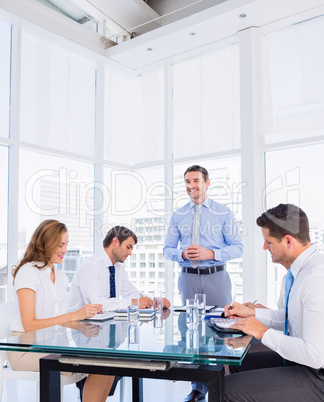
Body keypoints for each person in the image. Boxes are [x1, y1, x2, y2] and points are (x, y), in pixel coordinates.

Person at [224, 203, 324, 401]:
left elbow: (315, 355)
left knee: (225, 390)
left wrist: (262, 332)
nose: (264, 247)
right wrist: (252, 314)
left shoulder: (315, 278)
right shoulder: (301, 271)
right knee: (236, 363)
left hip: (317, 375)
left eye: (268, 242)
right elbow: (292, 318)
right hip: (301, 362)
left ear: (288, 241)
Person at [8, 219, 114, 402]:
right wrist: (74, 315)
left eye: (66, 244)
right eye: (60, 244)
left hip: (52, 345)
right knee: (100, 363)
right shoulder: (28, 272)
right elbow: (29, 324)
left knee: (110, 362)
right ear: (45, 243)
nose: (65, 250)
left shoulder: (62, 277)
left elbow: (57, 319)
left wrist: (83, 324)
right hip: (26, 350)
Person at [163, 164, 243, 402]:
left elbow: (238, 247)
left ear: (207, 183)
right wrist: (183, 255)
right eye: (187, 182)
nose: (191, 186)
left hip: (216, 278)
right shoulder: (178, 215)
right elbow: (167, 249)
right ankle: (198, 389)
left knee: (221, 333)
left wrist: (211, 253)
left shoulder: (223, 213)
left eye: (196, 181)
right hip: (188, 279)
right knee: (193, 335)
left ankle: (224, 387)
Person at [69, 225, 170, 314]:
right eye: (128, 247)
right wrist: (132, 303)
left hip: (105, 324)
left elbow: (132, 293)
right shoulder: (91, 266)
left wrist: (155, 302)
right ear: (115, 242)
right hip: (83, 327)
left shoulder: (118, 268)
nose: (130, 253)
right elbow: (95, 304)